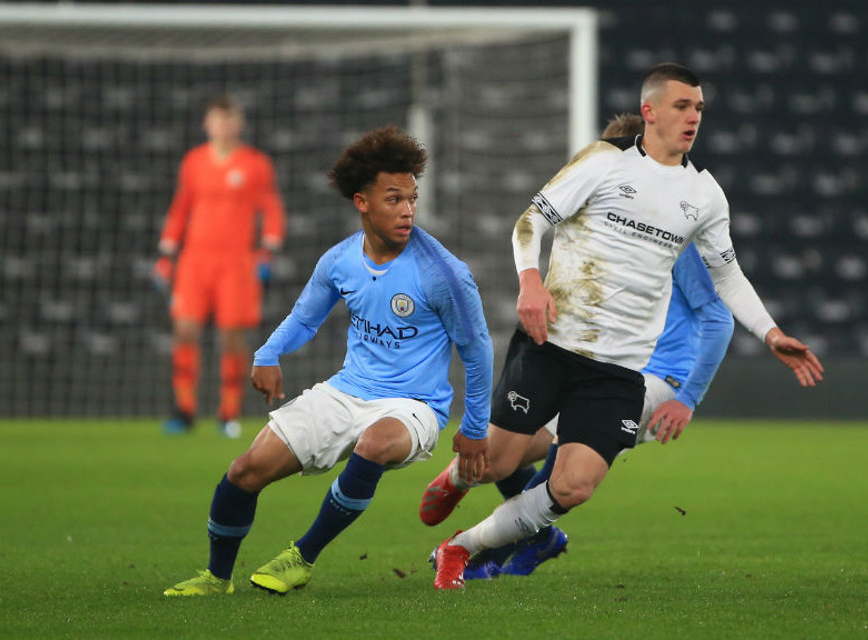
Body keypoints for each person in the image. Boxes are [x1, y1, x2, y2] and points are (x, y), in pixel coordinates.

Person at [428, 63, 824, 590]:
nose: (693, 118)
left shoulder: (704, 195)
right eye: (682, 106)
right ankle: (457, 477)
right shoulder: (603, 162)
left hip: (619, 369)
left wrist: (772, 334)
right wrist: (529, 283)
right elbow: (531, 222)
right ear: (650, 111)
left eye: (699, 108)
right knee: (498, 462)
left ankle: (460, 547)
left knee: (573, 488)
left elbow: (728, 276)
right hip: (554, 344)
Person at [164, 125, 492, 597]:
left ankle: (302, 556)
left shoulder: (444, 274)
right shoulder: (339, 260)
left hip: (413, 405)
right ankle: (216, 579)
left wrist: (476, 427)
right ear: (362, 202)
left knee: (375, 443)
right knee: (244, 472)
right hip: (346, 391)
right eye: (394, 199)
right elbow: (304, 318)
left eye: (412, 199)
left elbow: (477, 350)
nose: (407, 211)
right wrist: (268, 353)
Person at [421, 113, 737, 580]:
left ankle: (481, 551)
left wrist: (688, 397)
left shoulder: (676, 234)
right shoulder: (593, 219)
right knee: (514, 451)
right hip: (590, 362)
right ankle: (532, 536)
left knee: (565, 471)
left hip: (652, 376)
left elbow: (717, 315)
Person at [156, 94, 287, 438]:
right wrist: (167, 254)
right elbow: (181, 207)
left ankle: (228, 413)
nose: (224, 126)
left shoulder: (256, 164)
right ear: (207, 124)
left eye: (230, 119)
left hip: (236, 262)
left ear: (239, 124)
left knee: (232, 337)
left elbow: (271, 209)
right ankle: (184, 411)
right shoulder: (194, 162)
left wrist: (267, 250)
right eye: (218, 119)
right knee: (184, 330)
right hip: (195, 260)